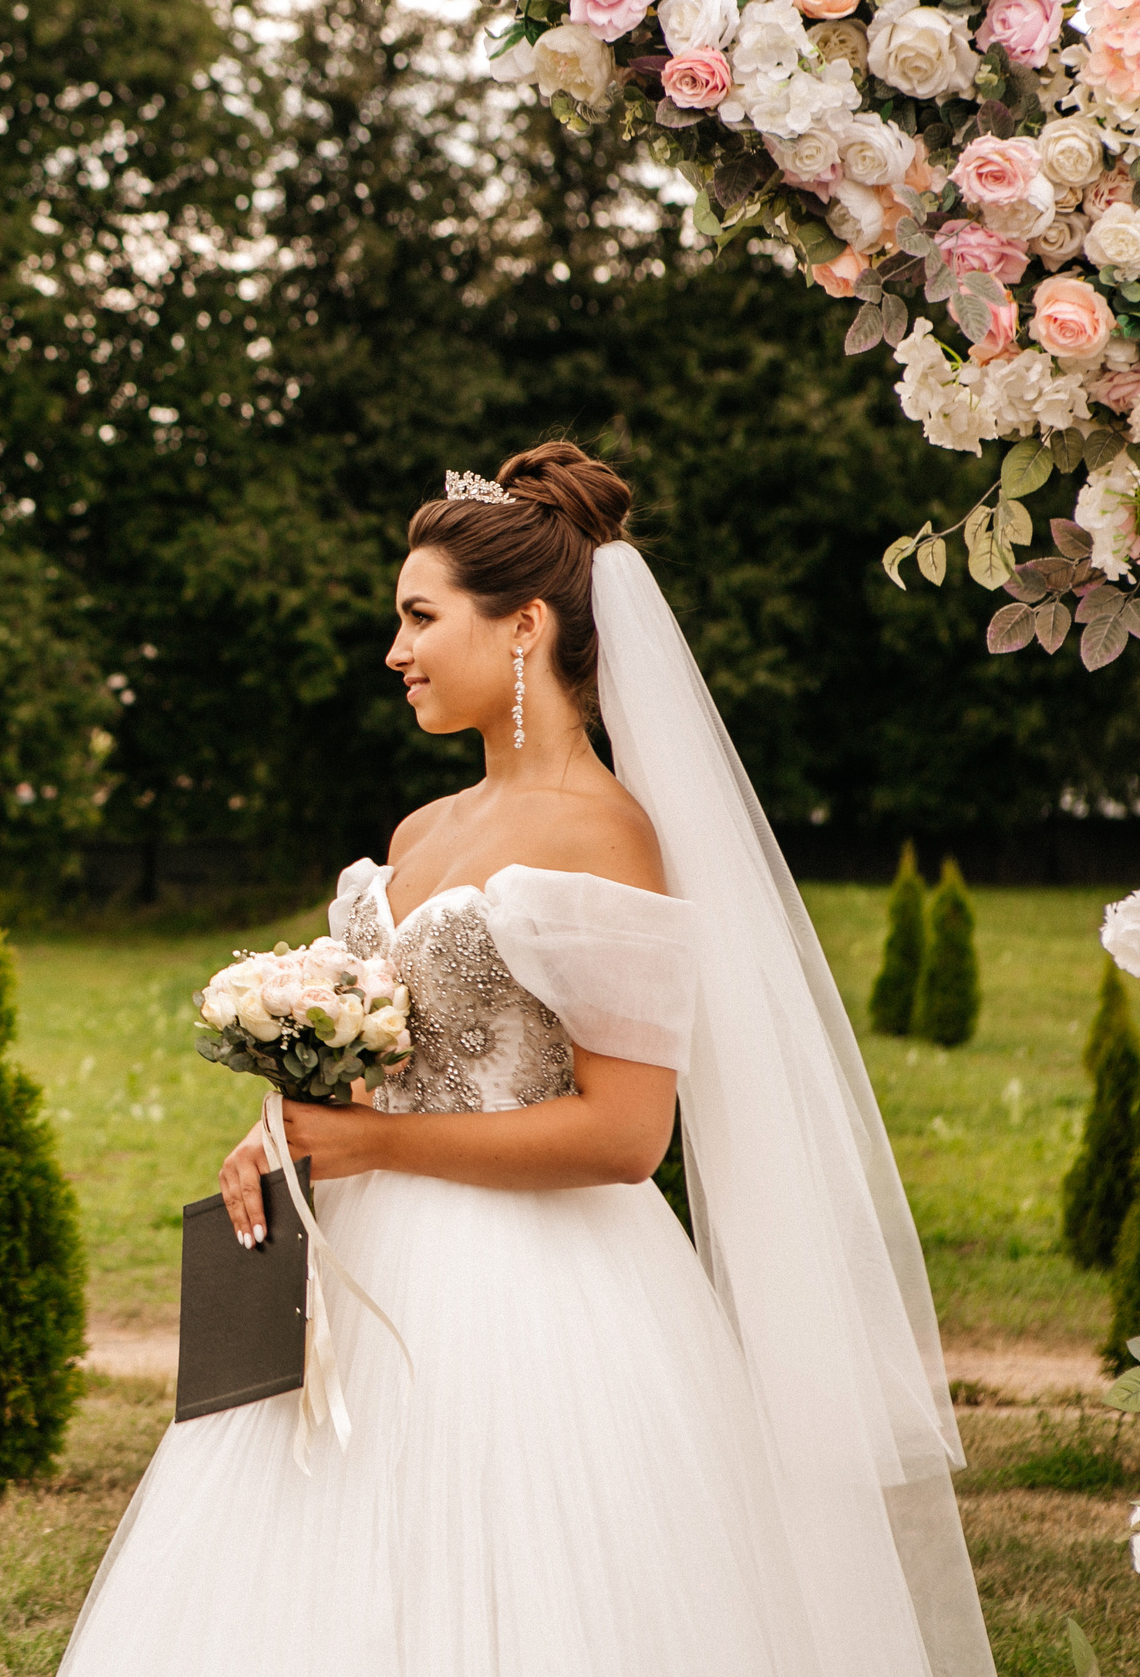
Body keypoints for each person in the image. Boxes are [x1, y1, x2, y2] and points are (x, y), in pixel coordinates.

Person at [56, 442, 994, 1677]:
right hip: (356, 1269)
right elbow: (402, 1055)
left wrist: (376, 1141)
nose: (394, 650)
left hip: (536, 1299)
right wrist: (285, 1122)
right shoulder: (420, 827)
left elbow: (623, 1136)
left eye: (417, 615)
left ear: (523, 626)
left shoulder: (605, 837)